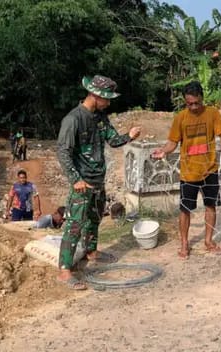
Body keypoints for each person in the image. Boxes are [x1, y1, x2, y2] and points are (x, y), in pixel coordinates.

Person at [56, 74, 141, 289]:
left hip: (97, 181)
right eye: (107, 98)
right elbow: (63, 152)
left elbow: (113, 141)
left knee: (94, 219)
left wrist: (129, 136)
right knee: (75, 225)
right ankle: (65, 270)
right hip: (82, 183)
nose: (109, 103)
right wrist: (75, 179)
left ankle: (91, 251)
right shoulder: (73, 119)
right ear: (96, 96)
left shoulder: (101, 118)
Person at [151, 81, 221, 259]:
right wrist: (163, 151)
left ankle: (208, 241)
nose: (193, 107)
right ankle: (184, 244)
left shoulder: (212, 113)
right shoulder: (181, 118)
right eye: (189, 103)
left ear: (202, 98)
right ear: (185, 102)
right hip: (189, 172)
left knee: (210, 206)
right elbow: (172, 142)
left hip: (209, 170)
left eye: (196, 103)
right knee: (185, 208)